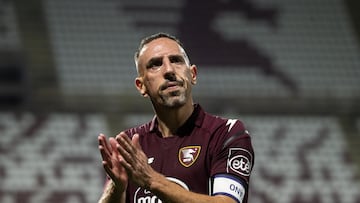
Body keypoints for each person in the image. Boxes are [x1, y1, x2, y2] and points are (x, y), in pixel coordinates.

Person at [97, 32, 254, 203]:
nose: (169, 70)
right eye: (155, 65)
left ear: (192, 74)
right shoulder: (131, 144)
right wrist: (117, 187)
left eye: (176, 60)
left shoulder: (225, 133)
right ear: (141, 86)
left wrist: (151, 180)